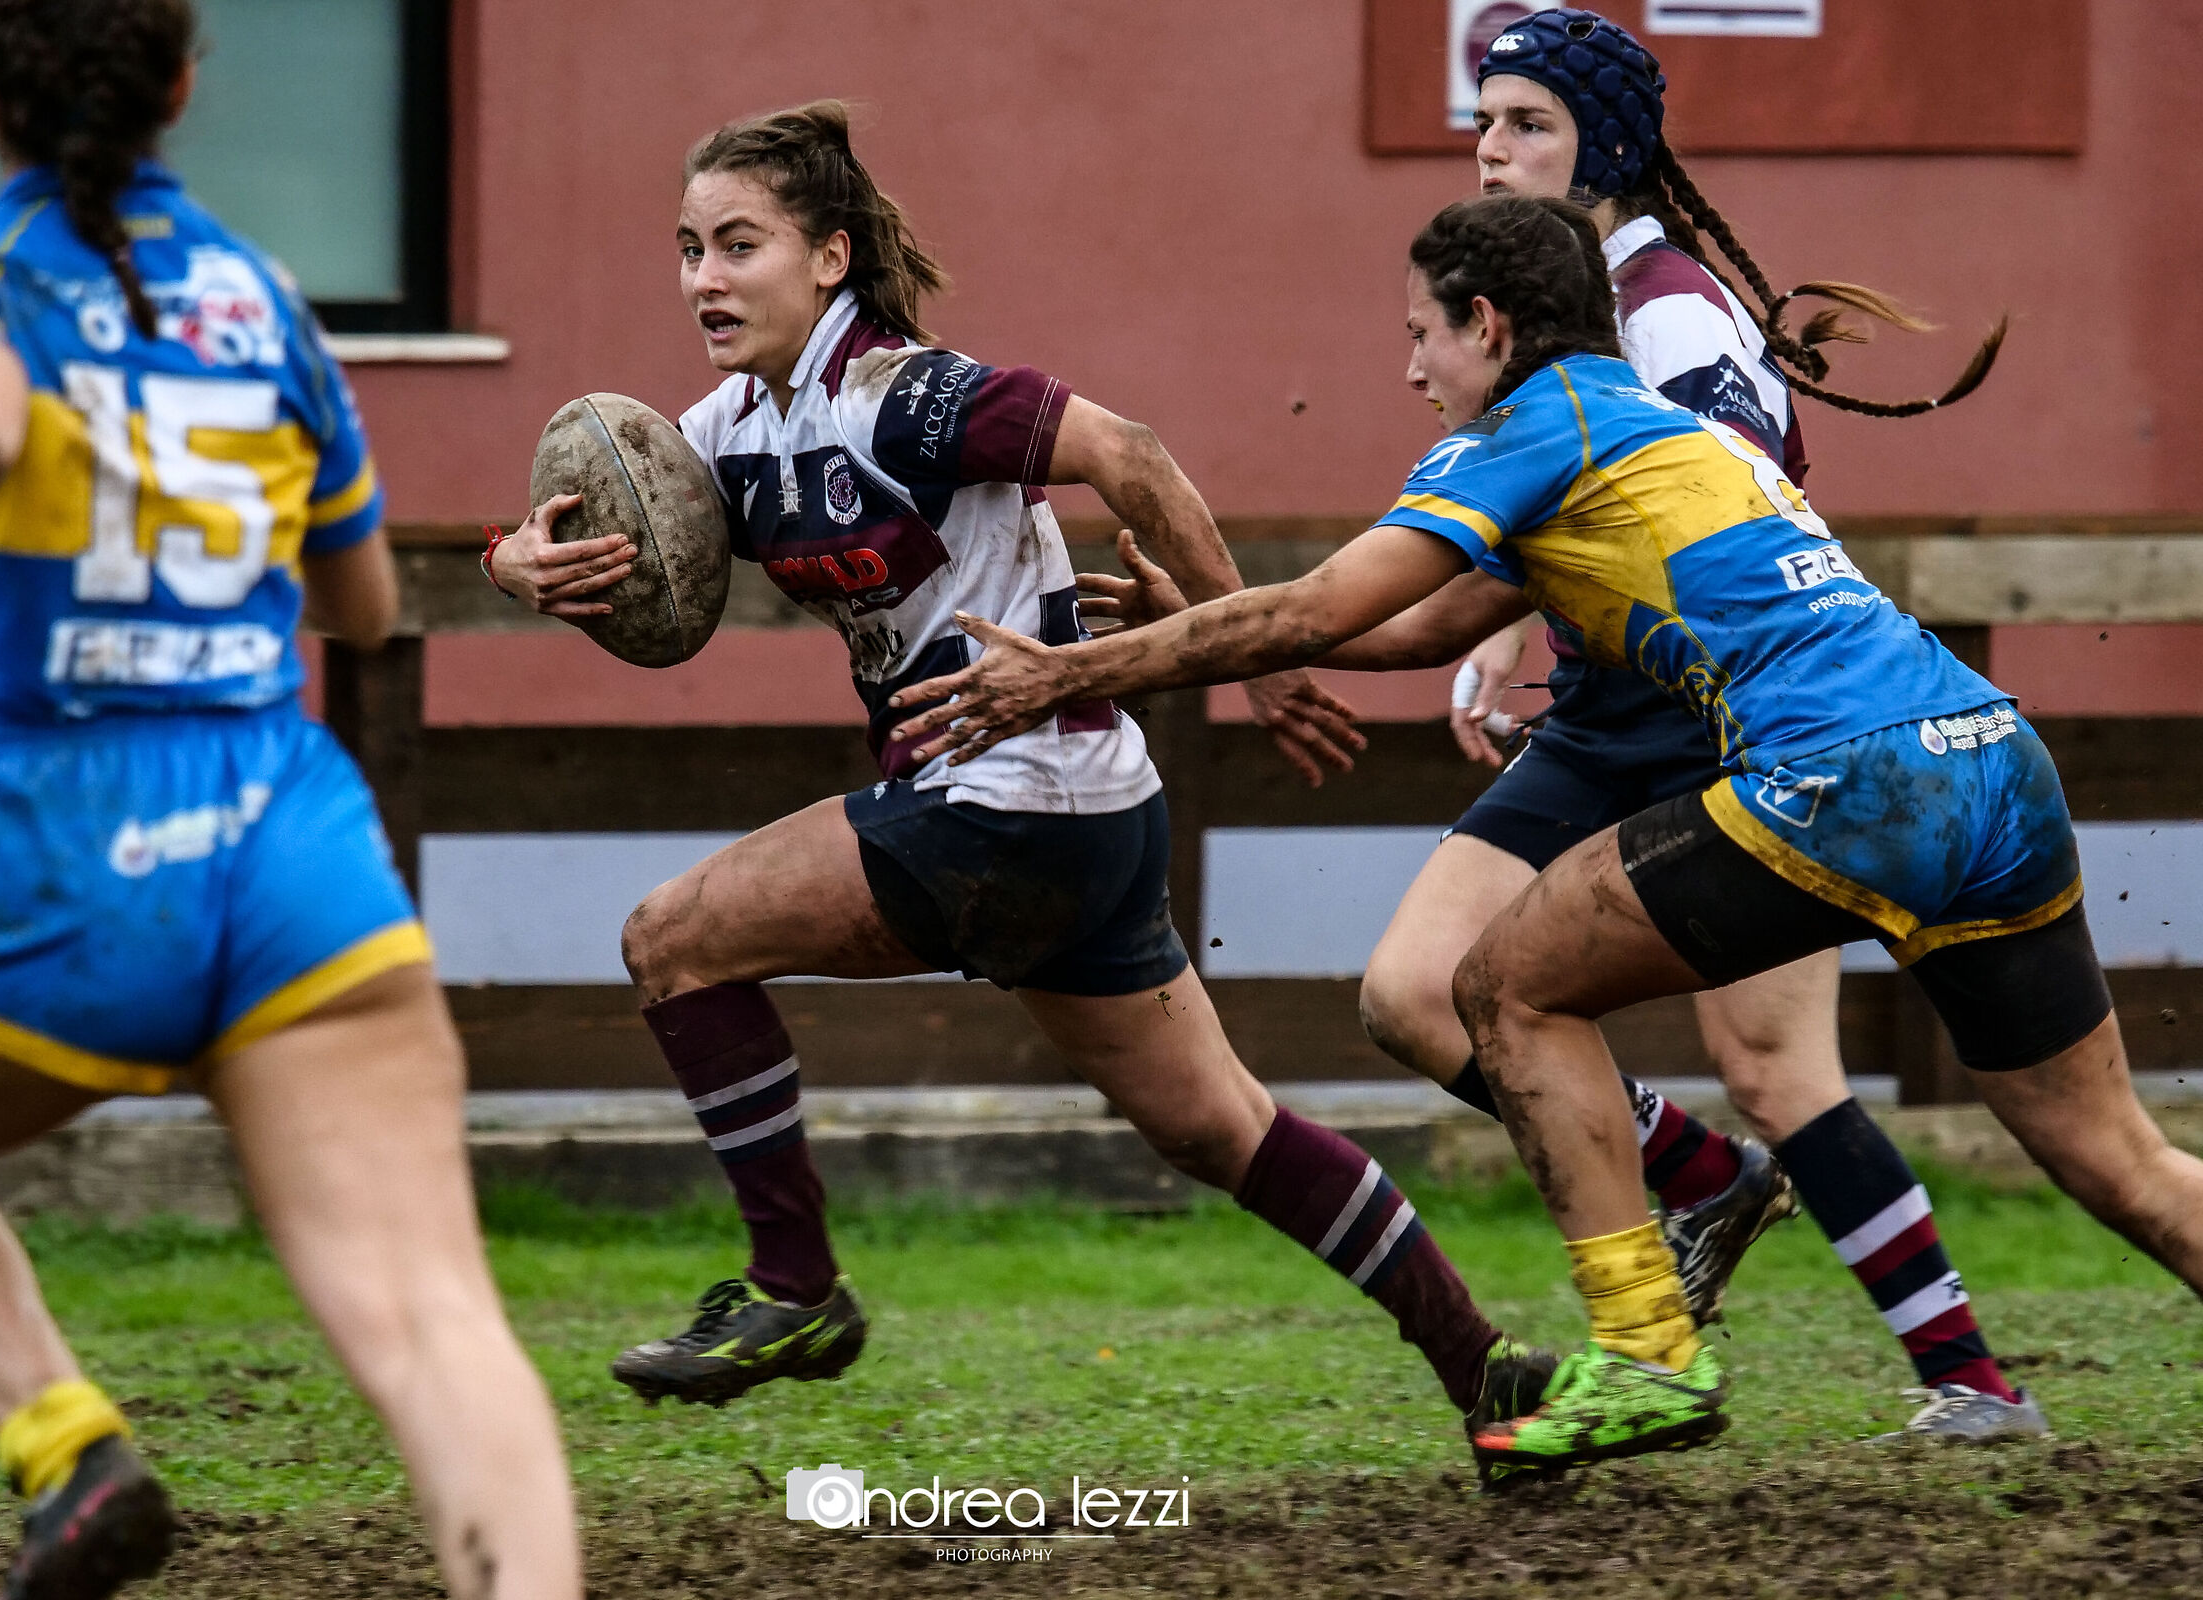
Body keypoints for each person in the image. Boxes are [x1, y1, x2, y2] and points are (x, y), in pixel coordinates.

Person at [885, 193, 2203, 1477]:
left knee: (1502, 985)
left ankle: (1647, 1357)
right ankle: (1725, 1260)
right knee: (2118, 1158)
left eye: (1419, 336)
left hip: (1845, 781)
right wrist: (1183, 619)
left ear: (1488, 324)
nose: (1409, 369)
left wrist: (1067, 672)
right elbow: (1407, 627)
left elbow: (1315, 613)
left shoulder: (1531, 427)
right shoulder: (1641, 427)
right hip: (1992, 761)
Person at [487, 101, 1559, 1446]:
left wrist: (1262, 661)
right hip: (1089, 818)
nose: (704, 277)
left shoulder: (905, 394)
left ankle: (796, 1288)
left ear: (827, 258)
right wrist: (516, 562)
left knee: (672, 942)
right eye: (689, 247)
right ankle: (1493, 1376)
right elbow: (588, 517)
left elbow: (1131, 454)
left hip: (1004, 804)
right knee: (1224, 1130)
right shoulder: (733, 432)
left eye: (739, 245)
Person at [0, 5, 579, 1596]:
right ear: (178, 87)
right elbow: (360, 606)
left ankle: (67, 1449)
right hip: (294, 846)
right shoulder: (269, 302)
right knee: (439, 1324)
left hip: (70, 847)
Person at [1339, 8, 2032, 1440]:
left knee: (1780, 1069)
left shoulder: (1665, 307)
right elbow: (1570, 515)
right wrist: (1527, 636)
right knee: (1413, 992)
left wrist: (1523, 623)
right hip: (1605, 723)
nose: (1492, 148)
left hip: (1734, 725)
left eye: (1528, 123)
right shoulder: (1548, 307)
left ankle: (1970, 1385)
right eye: (1487, 120)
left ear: (1613, 146)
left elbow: (1720, 505)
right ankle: (1699, 1180)